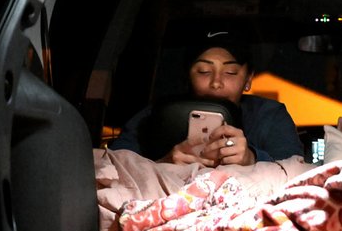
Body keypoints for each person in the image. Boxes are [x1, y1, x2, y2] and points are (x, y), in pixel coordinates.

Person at [108, 31, 304, 167]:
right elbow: (114, 163)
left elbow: (295, 170)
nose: (216, 83)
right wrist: (162, 164)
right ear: (187, 76)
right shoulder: (157, 113)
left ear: (248, 79)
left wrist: (251, 159)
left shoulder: (268, 115)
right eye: (204, 71)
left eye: (230, 72)